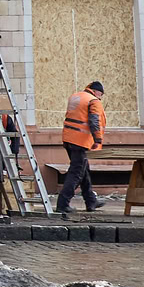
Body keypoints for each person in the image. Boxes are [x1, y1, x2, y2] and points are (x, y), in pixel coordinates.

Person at [57, 80, 106, 214]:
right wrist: (98, 139)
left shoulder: (76, 96)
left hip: (68, 138)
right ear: (97, 92)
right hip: (80, 141)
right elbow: (94, 120)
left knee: (84, 171)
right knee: (76, 172)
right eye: (100, 94)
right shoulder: (93, 101)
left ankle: (91, 201)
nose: (100, 97)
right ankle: (63, 203)